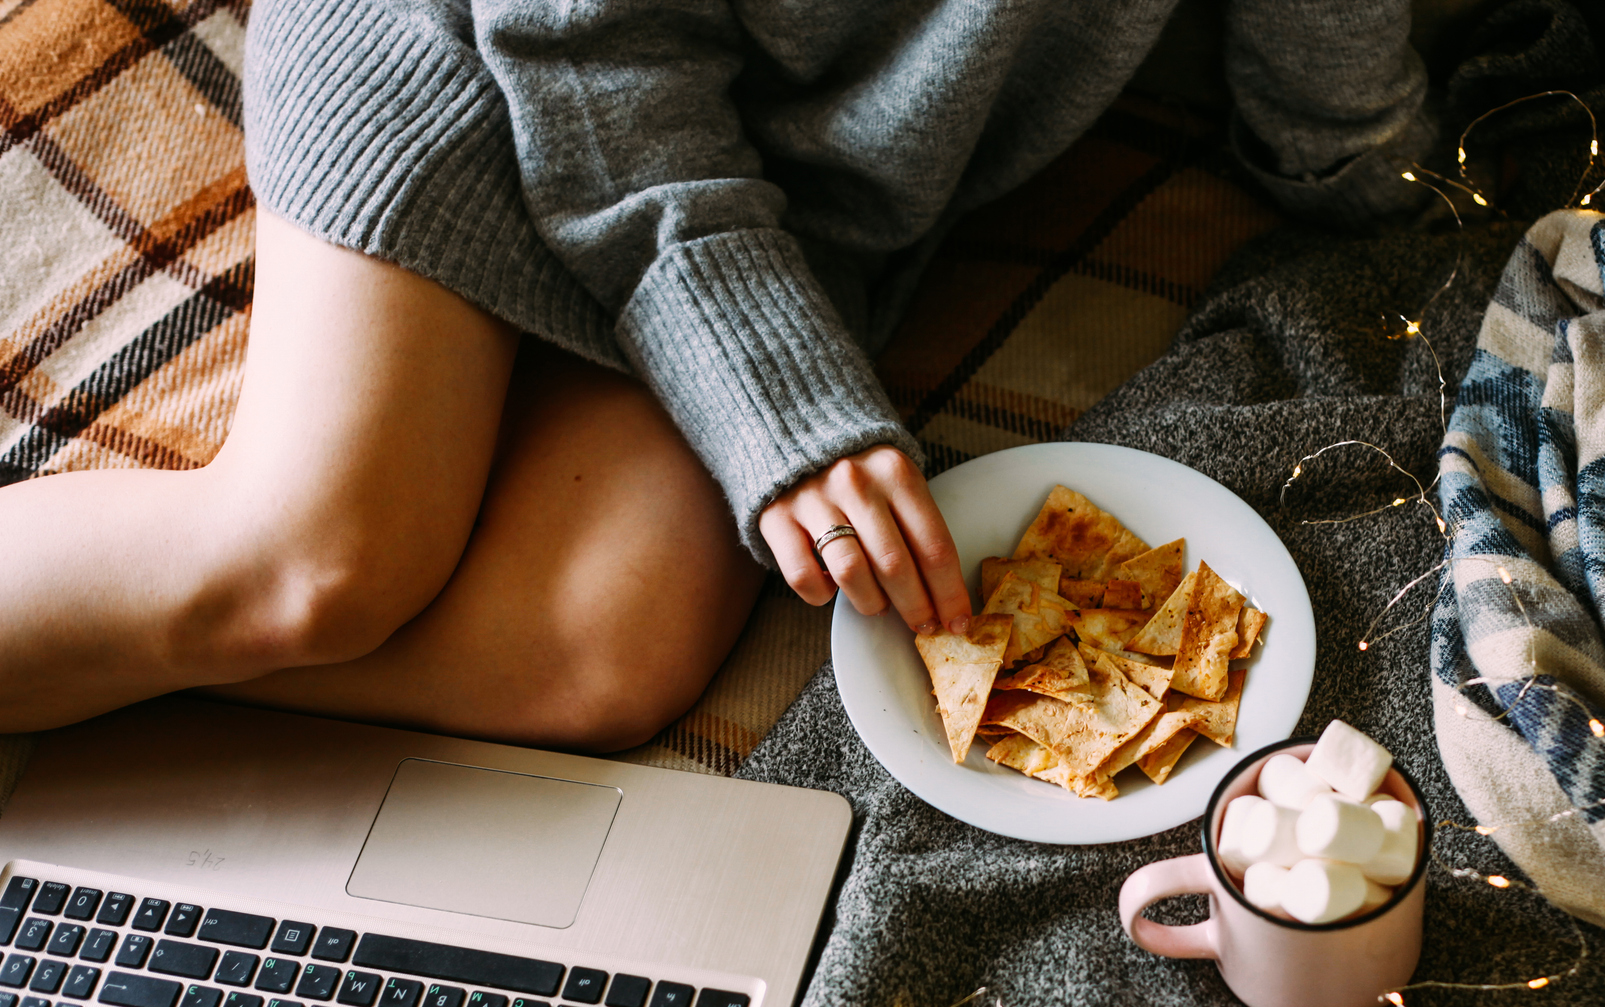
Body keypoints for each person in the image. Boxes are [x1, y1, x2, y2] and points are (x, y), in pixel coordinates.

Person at [0, 0, 1438, 751]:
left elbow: (1330, 121)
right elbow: (588, 47)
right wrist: (776, 396)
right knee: (317, 568)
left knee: (599, 657)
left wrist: (1391, 171)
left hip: (792, 186)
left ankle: (87, 683)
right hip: (490, 59)